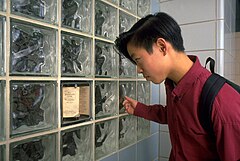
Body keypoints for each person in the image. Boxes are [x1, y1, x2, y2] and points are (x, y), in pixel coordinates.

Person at [114, 12, 240, 161]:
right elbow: (176, 116)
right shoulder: (174, 84)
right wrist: (139, 109)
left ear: (162, 47)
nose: (138, 69)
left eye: (138, 60)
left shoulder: (222, 102)